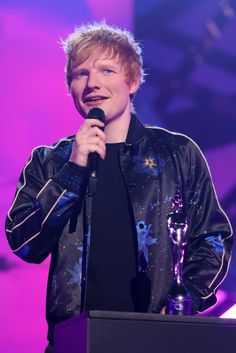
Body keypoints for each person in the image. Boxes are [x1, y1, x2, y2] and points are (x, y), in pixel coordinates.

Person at [5, 22, 233, 352]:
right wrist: (73, 170)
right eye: (80, 74)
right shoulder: (50, 161)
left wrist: (185, 302)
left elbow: (212, 237)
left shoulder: (177, 153)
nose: (92, 83)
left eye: (106, 70)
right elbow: (24, 243)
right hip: (75, 341)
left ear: (133, 80)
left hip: (157, 339)